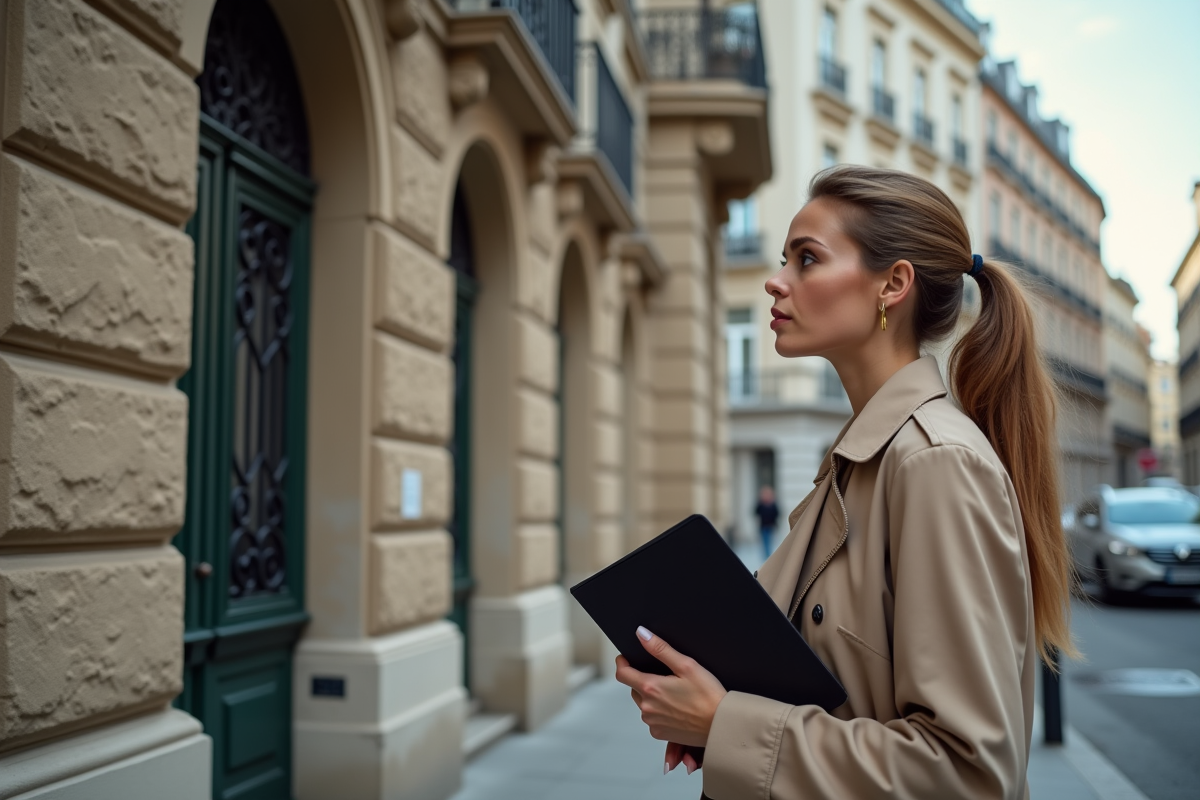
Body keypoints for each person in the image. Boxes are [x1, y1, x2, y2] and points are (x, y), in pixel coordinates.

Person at [615, 166, 1076, 800]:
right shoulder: (857, 461)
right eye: (785, 258)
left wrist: (726, 725)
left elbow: (968, 772)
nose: (777, 280)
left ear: (893, 284)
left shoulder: (934, 463)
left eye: (807, 259)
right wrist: (701, 700)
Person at [754, 485, 780, 559]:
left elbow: (777, 513)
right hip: (763, 526)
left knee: (770, 541)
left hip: (771, 526)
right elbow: (756, 512)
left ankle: (770, 555)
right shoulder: (761, 504)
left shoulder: (773, 504)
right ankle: (767, 555)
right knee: (765, 542)